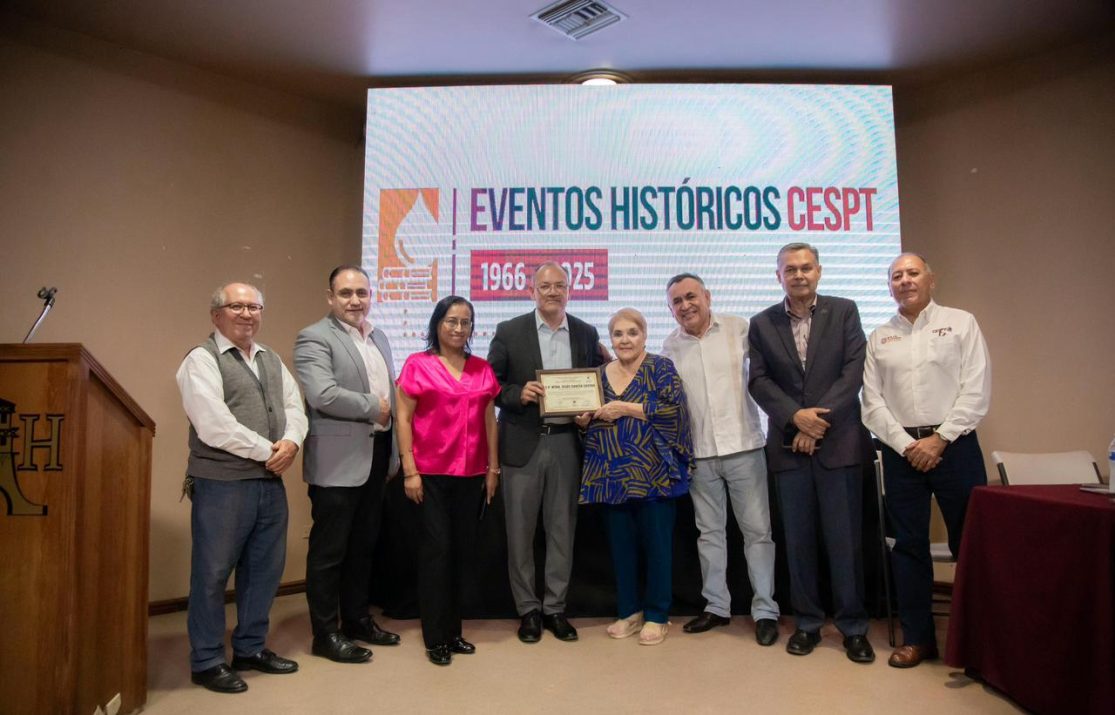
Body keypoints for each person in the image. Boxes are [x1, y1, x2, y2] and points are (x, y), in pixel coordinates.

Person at [176, 282, 307, 694]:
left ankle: (250, 648)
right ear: (216, 314)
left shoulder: (270, 359)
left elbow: (295, 408)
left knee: (264, 571)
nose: (247, 314)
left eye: (254, 307)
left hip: (269, 482)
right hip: (222, 484)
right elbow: (213, 424)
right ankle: (207, 660)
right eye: (237, 306)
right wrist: (270, 450)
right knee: (212, 575)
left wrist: (292, 442)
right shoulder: (201, 359)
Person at [748, 242, 876, 664]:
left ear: (818, 271)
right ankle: (807, 623)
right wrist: (795, 418)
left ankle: (853, 627)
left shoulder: (845, 311)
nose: (799, 275)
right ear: (778, 276)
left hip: (839, 445)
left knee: (845, 542)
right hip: (788, 449)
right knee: (798, 542)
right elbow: (759, 381)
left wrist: (816, 422)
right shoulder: (761, 323)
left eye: (806, 268)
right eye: (790, 269)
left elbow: (853, 371)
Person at [862, 253, 991, 668]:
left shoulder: (961, 322)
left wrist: (939, 439)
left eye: (912, 273)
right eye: (896, 276)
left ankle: (978, 642)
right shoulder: (880, 336)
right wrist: (906, 445)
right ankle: (919, 639)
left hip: (955, 447)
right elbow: (872, 403)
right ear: (889, 287)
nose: (904, 280)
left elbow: (976, 388)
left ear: (930, 279)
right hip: (901, 453)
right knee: (908, 546)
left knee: (969, 543)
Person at [487, 262, 607, 643]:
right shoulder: (509, 331)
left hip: (567, 441)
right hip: (522, 441)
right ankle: (528, 610)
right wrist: (517, 393)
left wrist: (589, 411)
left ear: (570, 290)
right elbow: (491, 385)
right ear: (532, 291)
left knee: (562, 531)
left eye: (560, 285)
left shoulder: (586, 332)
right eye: (545, 286)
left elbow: (596, 383)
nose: (553, 292)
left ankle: (555, 608)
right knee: (519, 533)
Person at [661, 273, 781, 645]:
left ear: (708, 296)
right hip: (699, 455)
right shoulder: (670, 346)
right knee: (710, 534)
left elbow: (767, 376)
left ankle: (765, 611)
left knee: (757, 533)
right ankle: (716, 606)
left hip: (744, 447)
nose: (685, 306)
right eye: (677, 301)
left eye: (691, 296)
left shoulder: (739, 329)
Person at [293, 265, 401, 665]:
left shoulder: (379, 337)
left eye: (362, 293)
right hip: (337, 462)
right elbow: (322, 394)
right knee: (330, 552)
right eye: (345, 293)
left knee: (363, 547)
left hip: (377, 454)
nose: (355, 300)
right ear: (330, 297)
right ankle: (325, 634)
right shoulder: (314, 337)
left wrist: (395, 450)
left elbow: (392, 393)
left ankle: (357, 621)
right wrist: (374, 407)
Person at [577, 308, 693, 645]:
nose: (625, 340)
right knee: (621, 549)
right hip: (610, 476)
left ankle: (657, 615)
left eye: (632, 332)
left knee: (658, 549)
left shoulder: (660, 367)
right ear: (610, 339)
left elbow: (675, 412)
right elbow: (588, 419)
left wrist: (626, 408)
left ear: (644, 335)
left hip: (654, 475)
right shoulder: (598, 375)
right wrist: (583, 421)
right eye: (618, 334)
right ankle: (629, 611)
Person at [396, 296, 501, 665]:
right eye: (451, 321)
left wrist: (493, 468)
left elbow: (490, 421)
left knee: (460, 554)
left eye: (465, 322)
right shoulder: (417, 364)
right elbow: (403, 419)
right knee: (436, 554)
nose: (458, 328)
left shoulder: (482, 369)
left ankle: (454, 632)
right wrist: (409, 470)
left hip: (471, 476)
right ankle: (435, 637)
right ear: (437, 323)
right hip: (430, 475)